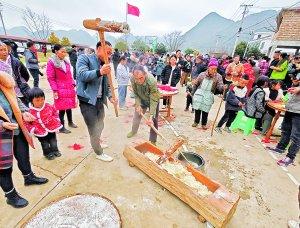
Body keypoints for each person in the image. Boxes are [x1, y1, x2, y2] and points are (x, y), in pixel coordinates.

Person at [0, 71, 48, 208]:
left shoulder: (4, 81)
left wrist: (24, 112)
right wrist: (1, 124)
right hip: (2, 133)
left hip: (16, 126)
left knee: (23, 155)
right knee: (4, 168)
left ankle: (29, 177)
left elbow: (16, 100)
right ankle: (10, 195)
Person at [76, 41, 117, 162]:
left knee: (100, 124)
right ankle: (98, 152)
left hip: (99, 100)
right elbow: (82, 75)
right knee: (93, 127)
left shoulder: (105, 64)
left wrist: (110, 97)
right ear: (99, 49)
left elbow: (107, 85)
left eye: (110, 54)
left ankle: (96, 142)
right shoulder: (84, 58)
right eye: (107, 52)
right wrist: (99, 72)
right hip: (87, 100)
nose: (109, 56)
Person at [269, 75, 300, 167]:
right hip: (291, 108)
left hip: (298, 112)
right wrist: (296, 83)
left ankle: (290, 158)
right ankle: (280, 148)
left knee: (296, 136)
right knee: (285, 130)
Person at [46, 44, 78, 134]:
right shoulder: (51, 62)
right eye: (62, 51)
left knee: (69, 106)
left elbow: (69, 74)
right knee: (61, 108)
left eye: (65, 52)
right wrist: (55, 90)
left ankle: (70, 122)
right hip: (60, 88)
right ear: (56, 52)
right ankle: (61, 127)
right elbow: (50, 78)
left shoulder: (66, 61)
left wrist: (73, 83)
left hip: (69, 86)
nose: (64, 53)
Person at [126, 65, 161, 144]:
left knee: (153, 120)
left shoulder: (152, 81)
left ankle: (153, 140)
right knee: (136, 116)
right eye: (136, 78)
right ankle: (134, 131)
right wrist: (138, 104)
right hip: (141, 99)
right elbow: (135, 93)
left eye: (141, 78)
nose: (139, 81)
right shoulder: (132, 78)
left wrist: (151, 115)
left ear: (145, 74)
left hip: (153, 100)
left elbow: (153, 99)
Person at [25, 88, 62, 160]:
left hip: (51, 129)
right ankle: (47, 153)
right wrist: (33, 129)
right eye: (37, 100)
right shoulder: (30, 112)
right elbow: (27, 123)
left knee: (53, 141)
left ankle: (55, 150)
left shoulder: (48, 106)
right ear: (31, 101)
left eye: (42, 99)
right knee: (44, 144)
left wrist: (56, 121)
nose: (41, 102)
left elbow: (55, 113)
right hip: (40, 132)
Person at [192, 58, 224, 129]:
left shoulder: (218, 76)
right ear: (208, 68)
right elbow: (196, 84)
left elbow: (219, 86)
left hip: (208, 95)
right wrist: (193, 93)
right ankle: (196, 122)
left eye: (215, 69)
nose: (214, 71)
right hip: (199, 94)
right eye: (212, 69)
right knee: (197, 108)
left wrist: (223, 88)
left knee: (205, 110)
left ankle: (204, 123)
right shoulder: (202, 75)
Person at [0, 42, 31, 106]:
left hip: (20, 90)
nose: (4, 52)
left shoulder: (16, 61)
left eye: (5, 49)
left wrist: (22, 83)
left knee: (27, 108)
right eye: (1, 50)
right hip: (6, 93)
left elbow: (25, 74)